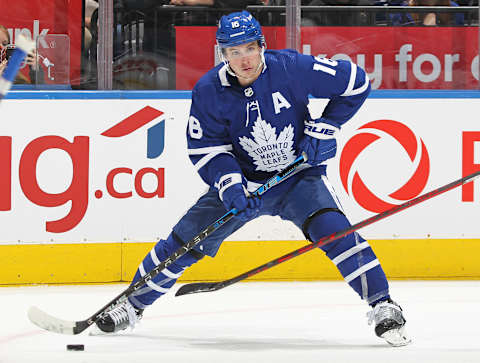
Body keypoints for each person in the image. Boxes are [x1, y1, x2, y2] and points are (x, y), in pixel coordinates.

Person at [94, 11, 411, 347]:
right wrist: (230, 183)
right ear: (222, 53)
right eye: (233, 51)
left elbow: (357, 82)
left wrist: (327, 126)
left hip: (298, 177)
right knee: (185, 240)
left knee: (335, 231)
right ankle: (131, 303)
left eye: (248, 48)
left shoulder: (292, 68)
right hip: (244, 183)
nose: (243, 59)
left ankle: (383, 304)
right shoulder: (208, 90)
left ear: (262, 45)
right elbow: (206, 147)